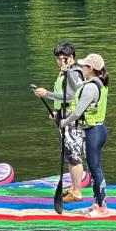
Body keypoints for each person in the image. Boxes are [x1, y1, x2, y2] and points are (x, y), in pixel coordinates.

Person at [33, 42, 86, 202]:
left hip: (72, 120)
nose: (60, 61)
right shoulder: (65, 72)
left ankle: (77, 191)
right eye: (58, 58)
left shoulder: (74, 72)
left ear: (72, 58)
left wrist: (46, 94)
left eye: (64, 58)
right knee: (69, 155)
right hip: (64, 116)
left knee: (74, 155)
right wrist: (57, 112)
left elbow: (70, 96)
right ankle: (73, 187)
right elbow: (63, 97)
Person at [62, 53, 109, 216]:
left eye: (83, 66)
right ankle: (96, 204)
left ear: (90, 69)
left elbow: (77, 112)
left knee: (95, 169)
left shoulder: (90, 87)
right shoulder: (98, 83)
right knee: (93, 167)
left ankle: (102, 207)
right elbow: (74, 90)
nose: (81, 68)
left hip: (94, 132)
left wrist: (63, 122)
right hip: (97, 130)